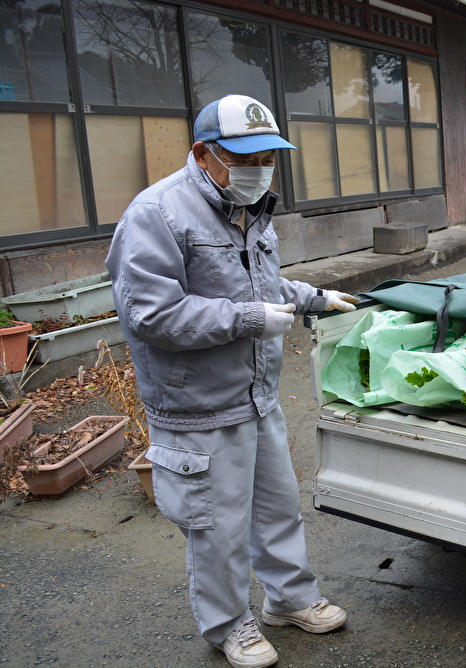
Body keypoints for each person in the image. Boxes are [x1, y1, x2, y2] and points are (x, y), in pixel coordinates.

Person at [106, 94, 359, 668]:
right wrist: (248, 320)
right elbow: (150, 315)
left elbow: (260, 284)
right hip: (196, 405)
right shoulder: (158, 214)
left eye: (268, 155)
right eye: (245, 156)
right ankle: (227, 625)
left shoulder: (246, 208)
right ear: (203, 152)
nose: (260, 167)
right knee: (215, 525)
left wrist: (314, 297)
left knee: (277, 507)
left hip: (256, 394)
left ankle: (289, 600)